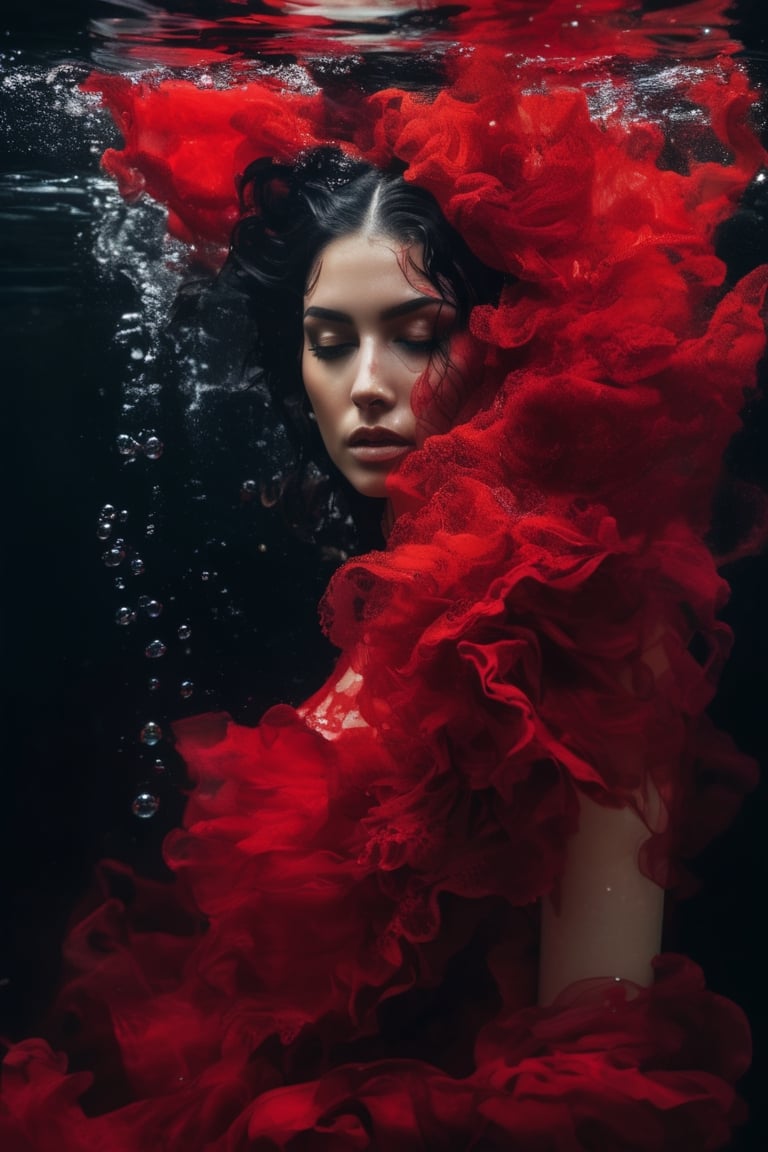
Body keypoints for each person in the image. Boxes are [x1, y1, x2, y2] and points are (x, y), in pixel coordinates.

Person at [2, 43, 766, 1150]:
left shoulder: (584, 605)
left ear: (504, 339)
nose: (365, 387)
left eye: (415, 337)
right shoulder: (400, 598)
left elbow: (601, 1056)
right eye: (328, 343)